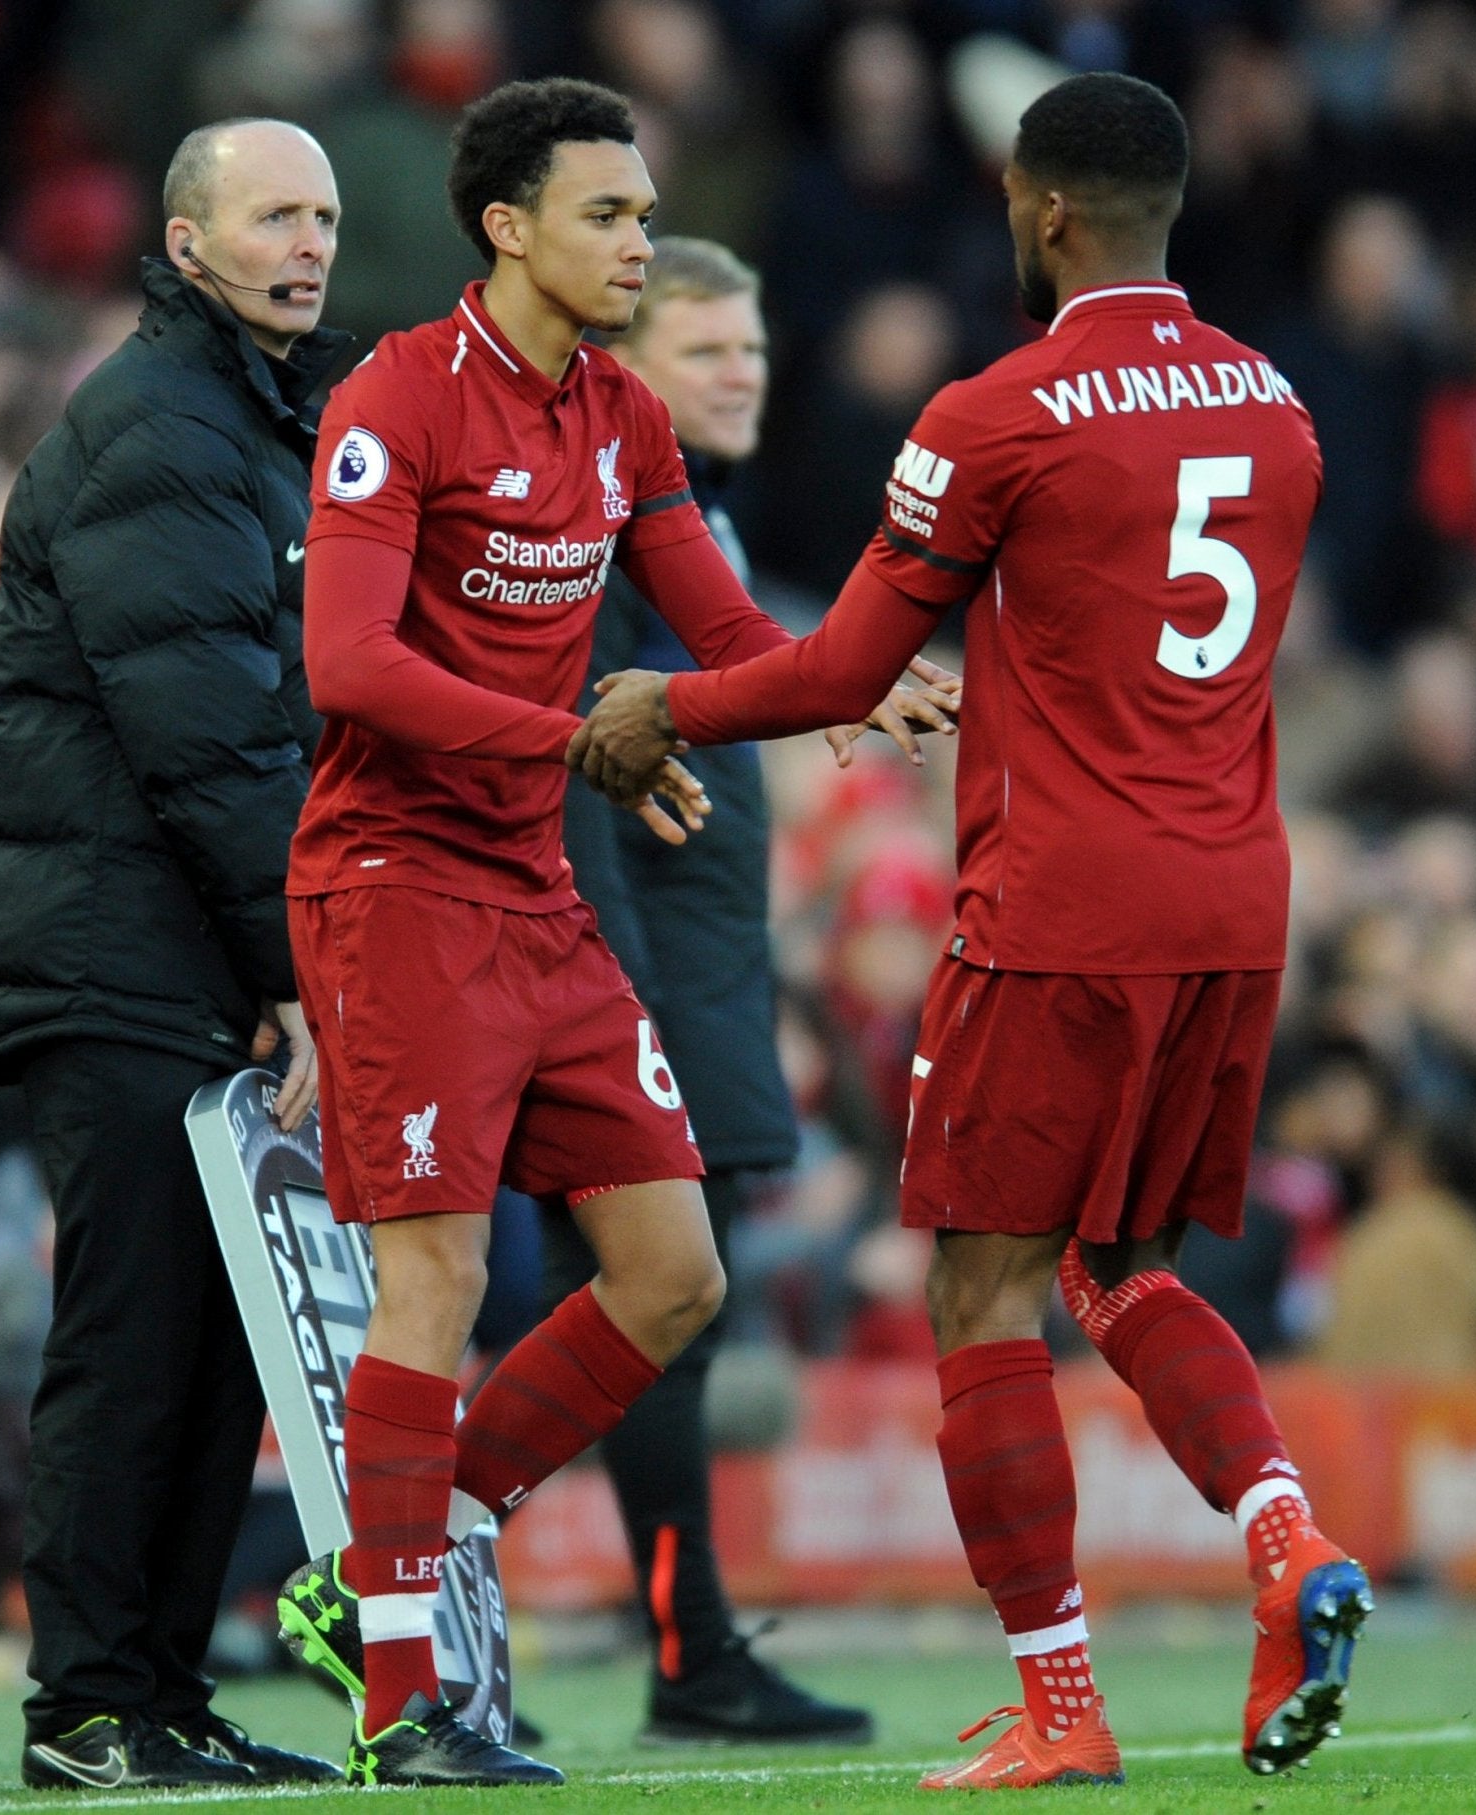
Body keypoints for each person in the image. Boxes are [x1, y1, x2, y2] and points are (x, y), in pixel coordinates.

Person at [574, 73, 1371, 1787]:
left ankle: (1061, 1705)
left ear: (1048, 209)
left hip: (1065, 903)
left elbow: (848, 668)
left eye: (1014, 197)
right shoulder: (1283, 406)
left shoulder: (997, 411)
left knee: (980, 1287)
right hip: (1236, 897)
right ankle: (1289, 1534)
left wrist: (663, 706)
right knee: (1121, 1261)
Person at [274, 77, 947, 1788]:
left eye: (648, 214)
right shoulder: (395, 400)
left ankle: (401, 1561)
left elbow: (719, 633)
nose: (641, 240)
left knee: (675, 1276)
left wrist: (855, 675)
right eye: (611, 215)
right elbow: (349, 668)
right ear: (508, 227)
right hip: (399, 888)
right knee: (429, 1282)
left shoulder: (622, 420)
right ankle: (402, 1696)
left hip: (539, 899)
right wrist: (578, 738)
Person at [0, 118, 345, 1793]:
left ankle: (163, 1697)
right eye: (273, 215)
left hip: (186, 950)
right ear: (186, 243)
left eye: (324, 214)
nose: (310, 242)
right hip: (121, 948)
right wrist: (299, 964)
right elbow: (206, 739)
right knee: (129, 1339)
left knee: (213, 1342)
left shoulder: (260, 424)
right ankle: (88, 1709)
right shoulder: (158, 428)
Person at [539, 235, 870, 1746]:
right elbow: (579, 780)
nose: (744, 372)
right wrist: (627, 1009)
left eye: (752, 349)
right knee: (639, 1318)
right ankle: (680, 1650)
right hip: (644, 984)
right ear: (629, 372)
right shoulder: (606, 532)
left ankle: (688, 1641)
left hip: (712, 976)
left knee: (666, 1324)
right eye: (708, 350)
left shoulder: (700, 528)